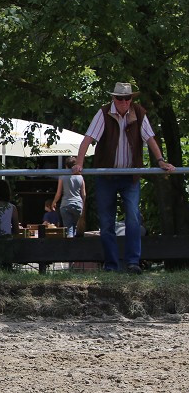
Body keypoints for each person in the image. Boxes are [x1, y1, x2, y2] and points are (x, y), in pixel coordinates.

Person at [71, 81, 175, 273]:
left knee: (134, 218)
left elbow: (150, 138)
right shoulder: (103, 113)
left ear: (131, 99)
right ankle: (111, 265)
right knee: (106, 221)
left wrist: (160, 160)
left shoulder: (139, 113)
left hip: (130, 176)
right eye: (120, 98)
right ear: (113, 98)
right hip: (106, 176)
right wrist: (79, 163)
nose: (124, 102)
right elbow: (88, 139)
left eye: (128, 98)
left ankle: (133, 262)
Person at [53, 172, 86, 237]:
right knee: (74, 227)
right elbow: (84, 194)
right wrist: (82, 204)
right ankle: (74, 244)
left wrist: (54, 202)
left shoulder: (62, 176)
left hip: (66, 204)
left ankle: (70, 245)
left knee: (69, 229)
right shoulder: (80, 177)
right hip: (78, 204)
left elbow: (59, 193)